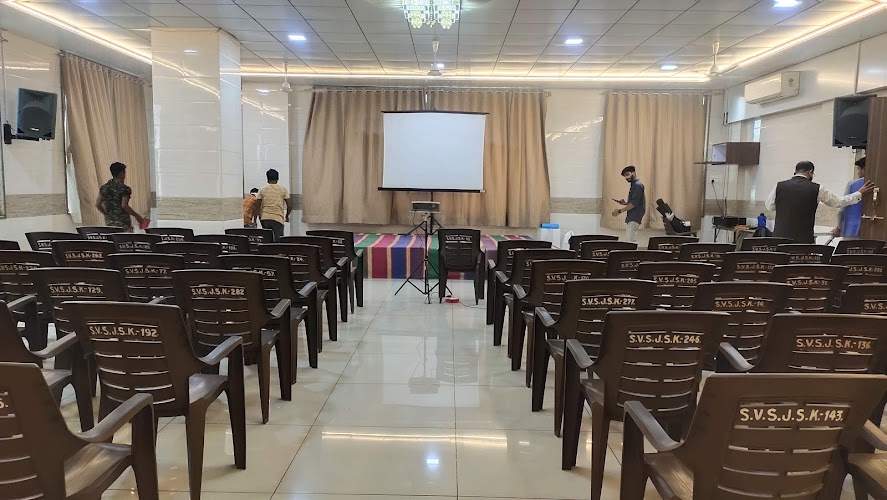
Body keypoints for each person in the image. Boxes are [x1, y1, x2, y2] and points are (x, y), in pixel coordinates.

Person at [765, 160, 874, 244]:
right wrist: (859, 193)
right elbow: (838, 202)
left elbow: (769, 206)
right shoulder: (817, 188)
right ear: (810, 172)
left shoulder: (779, 186)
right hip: (803, 240)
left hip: (780, 237)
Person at [95, 162, 146, 231]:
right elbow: (124, 206)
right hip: (123, 224)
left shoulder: (104, 188)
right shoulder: (124, 189)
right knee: (126, 238)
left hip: (110, 224)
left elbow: (98, 204)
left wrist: (107, 214)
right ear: (121, 173)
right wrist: (137, 216)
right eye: (124, 172)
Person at [833, 157, 867, 240]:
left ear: (864, 169)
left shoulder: (852, 185)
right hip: (875, 229)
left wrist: (839, 227)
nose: (858, 173)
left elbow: (843, 208)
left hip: (851, 229)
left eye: (859, 169)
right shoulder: (881, 183)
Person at [611, 165, 645, 243]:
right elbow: (635, 202)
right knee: (630, 240)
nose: (626, 177)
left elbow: (633, 204)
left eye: (627, 174)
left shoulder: (637, 185)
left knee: (630, 242)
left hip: (634, 216)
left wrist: (619, 211)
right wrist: (625, 203)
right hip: (633, 216)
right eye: (625, 176)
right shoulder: (634, 185)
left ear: (634, 173)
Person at [255, 169, 291, 241]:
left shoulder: (262, 189)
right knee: (278, 242)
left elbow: (257, 206)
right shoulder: (283, 189)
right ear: (277, 178)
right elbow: (289, 205)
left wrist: (257, 218)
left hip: (265, 218)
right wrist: (286, 216)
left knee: (267, 241)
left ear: (267, 179)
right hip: (278, 219)